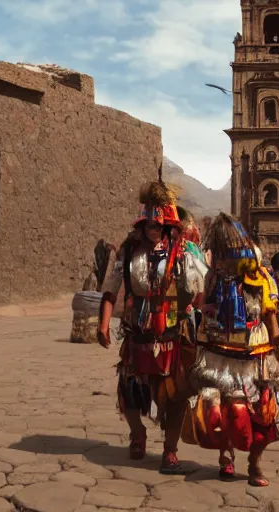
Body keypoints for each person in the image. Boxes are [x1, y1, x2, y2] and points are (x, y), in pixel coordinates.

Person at [97, 181, 207, 474]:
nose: (153, 229)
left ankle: (170, 451)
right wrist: (104, 322)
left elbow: (201, 291)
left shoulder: (184, 252)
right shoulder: (130, 251)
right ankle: (137, 434)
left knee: (175, 394)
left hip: (173, 334)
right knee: (130, 389)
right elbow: (112, 286)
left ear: (170, 226)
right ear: (142, 224)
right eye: (149, 224)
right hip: (138, 332)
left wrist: (197, 315)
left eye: (159, 225)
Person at [184, 213, 279, 487]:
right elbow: (202, 312)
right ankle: (226, 454)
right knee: (218, 413)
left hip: (254, 360)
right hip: (218, 359)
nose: (221, 261)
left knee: (262, 414)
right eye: (218, 255)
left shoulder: (261, 281)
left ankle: (255, 463)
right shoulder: (212, 280)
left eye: (226, 255)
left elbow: (273, 325)